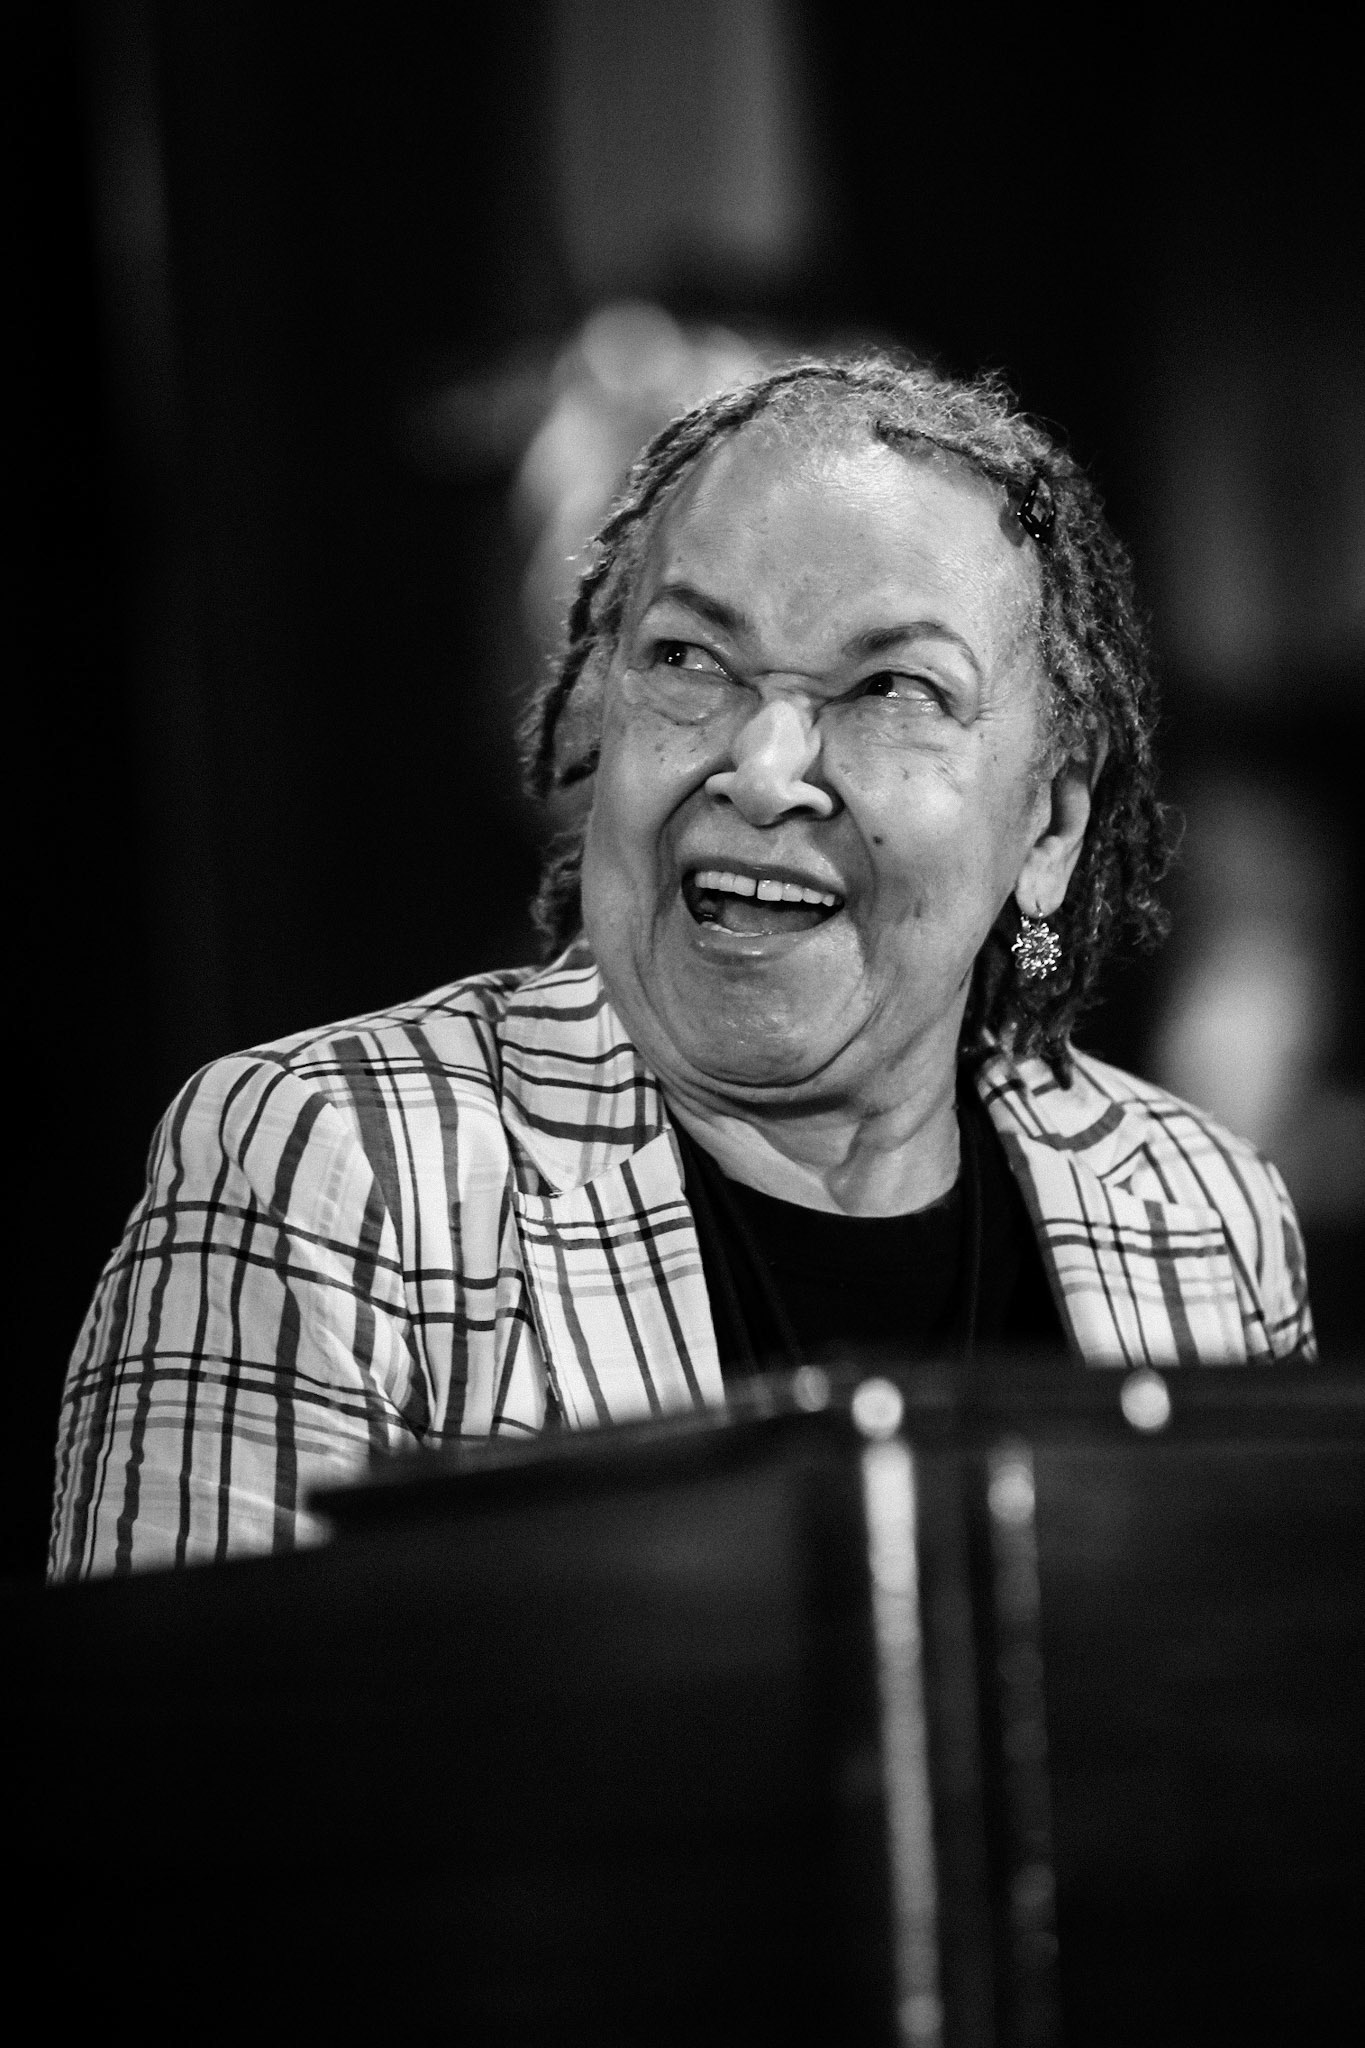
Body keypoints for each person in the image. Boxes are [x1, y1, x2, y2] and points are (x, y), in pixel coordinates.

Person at [50, 354, 1314, 1578]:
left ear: (1047, 825)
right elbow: (173, 1777)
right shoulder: (333, 1173)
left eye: (888, 685)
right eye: (690, 660)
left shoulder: (1201, 1216)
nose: (762, 769)